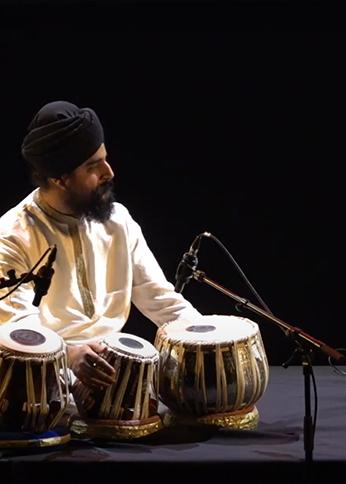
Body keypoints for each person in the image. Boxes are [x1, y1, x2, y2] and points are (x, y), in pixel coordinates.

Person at [0, 100, 201, 390]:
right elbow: (23, 332)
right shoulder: (12, 236)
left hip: (114, 370)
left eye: (105, 158)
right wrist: (69, 355)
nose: (109, 172)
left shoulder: (118, 221)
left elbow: (161, 300)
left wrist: (203, 337)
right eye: (94, 166)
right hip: (45, 378)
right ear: (60, 178)